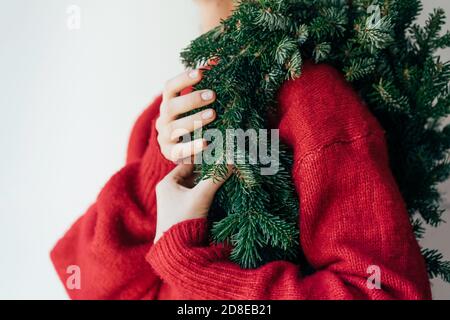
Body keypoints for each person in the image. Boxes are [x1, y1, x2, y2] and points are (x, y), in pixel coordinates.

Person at [51, 0, 432, 299]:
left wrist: (191, 266)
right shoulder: (163, 115)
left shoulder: (312, 100)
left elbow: (383, 292)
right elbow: (93, 285)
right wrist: (165, 163)